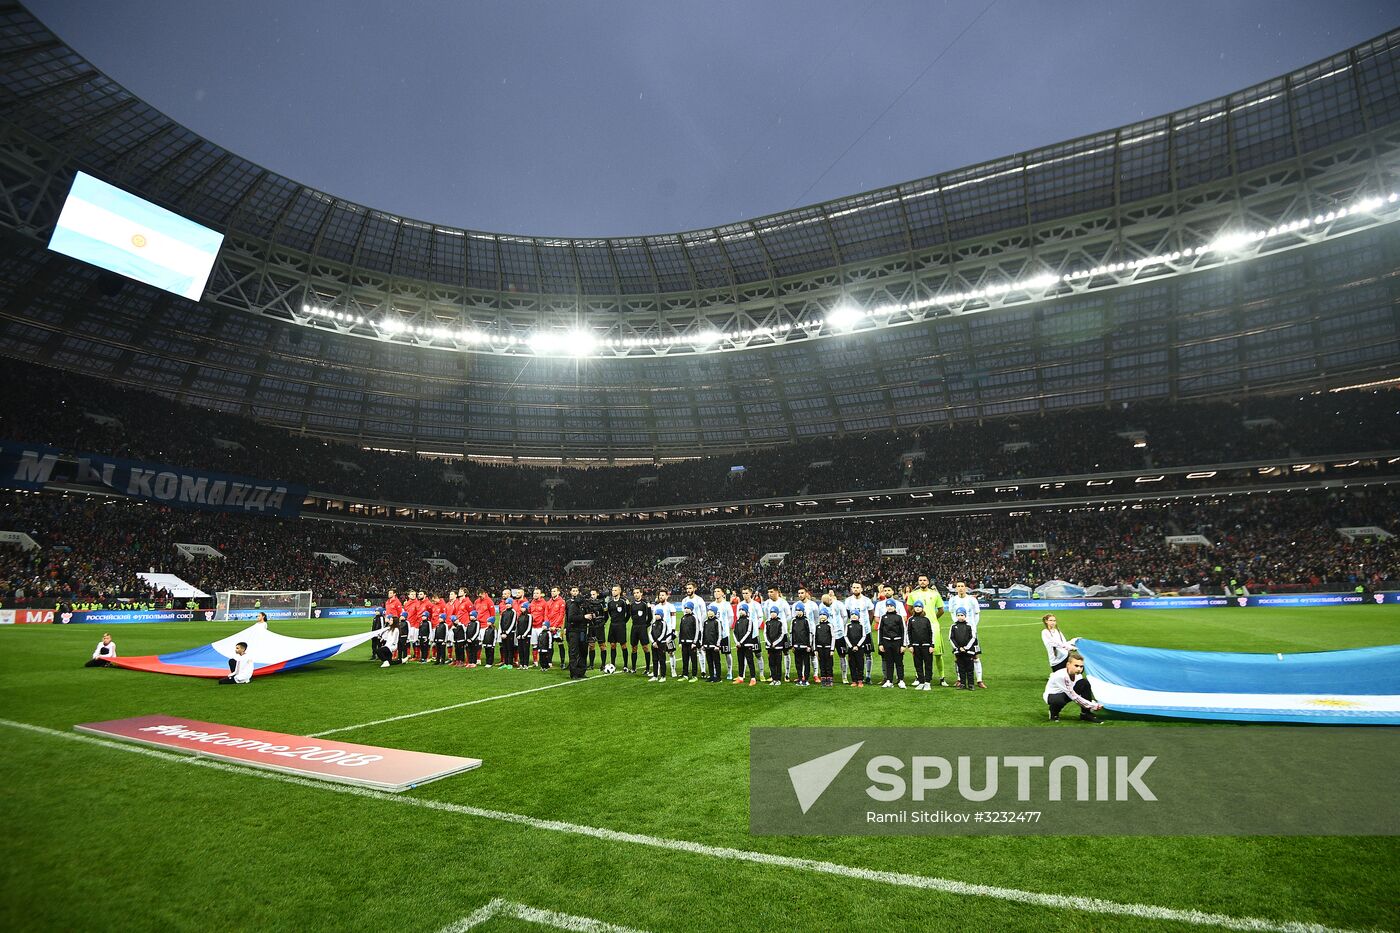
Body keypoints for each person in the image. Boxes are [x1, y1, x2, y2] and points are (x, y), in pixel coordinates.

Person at [907, 574, 949, 687]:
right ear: (918, 582)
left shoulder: (935, 594)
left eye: (924, 580)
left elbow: (941, 610)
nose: (922, 582)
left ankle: (942, 677)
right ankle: (918, 677)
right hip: (918, 627)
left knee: (937, 653)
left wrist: (933, 619)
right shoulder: (913, 594)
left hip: (933, 626)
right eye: (920, 580)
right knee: (917, 653)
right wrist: (917, 619)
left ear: (928, 582)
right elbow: (909, 608)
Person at [1044, 651, 1104, 722]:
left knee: (1084, 683)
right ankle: (1054, 714)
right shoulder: (1061, 676)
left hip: (1068, 693)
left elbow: (1081, 694)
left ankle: (1085, 714)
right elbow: (1073, 696)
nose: (1079, 669)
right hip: (1053, 696)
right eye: (1076, 666)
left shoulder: (1078, 675)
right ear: (1068, 665)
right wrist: (1092, 705)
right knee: (1059, 700)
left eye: (1081, 666)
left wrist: (1094, 702)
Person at [947, 581, 985, 688]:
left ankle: (979, 680)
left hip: (971, 631)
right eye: (958, 586)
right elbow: (952, 613)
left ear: (965, 588)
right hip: (958, 631)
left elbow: (977, 614)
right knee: (958, 656)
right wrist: (958, 625)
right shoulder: (952, 600)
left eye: (962, 586)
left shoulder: (972, 599)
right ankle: (960, 679)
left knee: (975, 656)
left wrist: (972, 627)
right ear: (956, 589)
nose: (960, 588)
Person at [843, 582, 875, 684]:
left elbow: (871, 613)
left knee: (868, 653)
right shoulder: (848, 600)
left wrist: (867, 625)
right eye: (854, 587)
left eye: (858, 587)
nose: (856, 589)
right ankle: (855, 677)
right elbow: (847, 613)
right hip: (853, 632)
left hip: (865, 631)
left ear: (861, 589)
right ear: (851, 589)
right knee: (853, 654)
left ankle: (868, 676)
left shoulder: (866, 600)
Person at [876, 598, 909, 689]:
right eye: (888, 606)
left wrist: (903, 645)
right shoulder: (883, 617)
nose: (889, 607)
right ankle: (889, 681)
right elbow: (880, 630)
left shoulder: (899, 617)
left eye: (891, 606)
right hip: (886, 642)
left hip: (897, 642)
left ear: (895, 607)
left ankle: (901, 680)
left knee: (899, 662)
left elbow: (903, 630)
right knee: (889, 662)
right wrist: (880, 644)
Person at [907, 599, 935, 690]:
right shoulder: (911, 620)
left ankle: (927, 682)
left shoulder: (926, 620)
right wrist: (910, 645)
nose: (918, 608)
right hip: (915, 646)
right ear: (913, 608)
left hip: (926, 646)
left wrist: (932, 645)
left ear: (922, 608)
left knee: (928, 664)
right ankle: (921, 681)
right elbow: (908, 633)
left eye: (919, 607)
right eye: (916, 606)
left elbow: (931, 633)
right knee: (918, 664)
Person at [948, 608, 979, 690]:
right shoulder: (953, 626)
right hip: (958, 651)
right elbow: (951, 638)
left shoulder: (969, 626)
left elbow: (973, 637)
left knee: (970, 669)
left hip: (968, 651)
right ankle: (962, 683)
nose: (960, 617)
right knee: (961, 668)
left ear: (965, 616)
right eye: (958, 615)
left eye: (962, 615)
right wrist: (958, 648)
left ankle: (971, 684)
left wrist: (966, 648)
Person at [565, 586, 592, 679]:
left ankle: (581, 672)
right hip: (574, 631)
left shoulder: (584, 606)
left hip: (582, 631)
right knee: (574, 652)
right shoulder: (573, 605)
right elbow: (570, 618)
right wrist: (584, 617)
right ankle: (574, 673)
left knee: (583, 651)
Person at [732, 604, 759, 685]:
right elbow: (734, 632)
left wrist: (741, 642)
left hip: (747, 644)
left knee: (750, 661)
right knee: (740, 661)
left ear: (746, 611)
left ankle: (753, 678)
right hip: (739, 645)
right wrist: (737, 642)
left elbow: (749, 632)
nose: (741, 611)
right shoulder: (737, 621)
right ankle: (740, 677)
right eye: (740, 610)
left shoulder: (749, 620)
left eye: (743, 610)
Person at [604, 585, 629, 673]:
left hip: (621, 626)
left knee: (623, 645)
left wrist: (623, 622)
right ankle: (613, 664)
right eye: (612, 590)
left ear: (619, 591)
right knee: (612, 645)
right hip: (612, 625)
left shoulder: (623, 602)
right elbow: (608, 614)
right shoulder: (610, 603)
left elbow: (628, 613)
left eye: (615, 590)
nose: (613, 592)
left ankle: (625, 665)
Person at [789, 603, 815, 686]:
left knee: (806, 663)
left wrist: (809, 645)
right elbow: (791, 633)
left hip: (805, 646)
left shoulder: (806, 620)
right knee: (798, 663)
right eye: (797, 610)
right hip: (796, 646)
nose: (798, 612)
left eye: (800, 610)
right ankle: (800, 678)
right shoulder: (793, 621)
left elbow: (809, 633)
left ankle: (806, 679)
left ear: (803, 611)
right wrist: (792, 645)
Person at [627, 588, 650, 674]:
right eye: (634, 593)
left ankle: (647, 669)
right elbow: (631, 616)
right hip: (634, 628)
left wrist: (645, 626)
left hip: (642, 628)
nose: (636, 594)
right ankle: (633, 668)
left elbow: (650, 617)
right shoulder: (632, 605)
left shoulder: (645, 604)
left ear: (641, 593)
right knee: (634, 648)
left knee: (645, 648)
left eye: (637, 592)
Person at [647, 607, 672, 683]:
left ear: (661, 615)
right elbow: (650, 633)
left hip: (661, 644)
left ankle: (663, 676)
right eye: (655, 614)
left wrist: (657, 642)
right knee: (654, 660)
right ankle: (655, 676)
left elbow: (663, 633)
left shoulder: (663, 623)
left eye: (658, 614)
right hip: (654, 644)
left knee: (662, 660)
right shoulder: (653, 623)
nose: (656, 616)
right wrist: (653, 642)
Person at [764, 606, 788, 686]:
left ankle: (778, 679)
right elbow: (765, 633)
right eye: (771, 612)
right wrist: (769, 643)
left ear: (777, 613)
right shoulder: (767, 622)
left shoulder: (780, 622)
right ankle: (773, 679)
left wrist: (775, 643)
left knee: (778, 663)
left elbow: (781, 634)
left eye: (774, 612)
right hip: (770, 647)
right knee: (771, 663)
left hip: (778, 647)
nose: (772, 614)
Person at [701, 603, 724, 683]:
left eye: (711, 610)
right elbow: (704, 634)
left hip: (714, 646)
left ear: (715, 612)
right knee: (709, 662)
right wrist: (703, 644)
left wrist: (717, 645)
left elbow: (720, 634)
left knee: (716, 661)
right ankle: (711, 676)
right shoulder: (705, 622)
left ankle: (718, 677)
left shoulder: (717, 622)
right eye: (708, 610)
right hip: (707, 645)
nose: (709, 612)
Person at [844, 610, 867, 688]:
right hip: (851, 649)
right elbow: (845, 636)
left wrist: (858, 646)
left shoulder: (861, 626)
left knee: (860, 664)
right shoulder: (848, 625)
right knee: (852, 664)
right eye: (852, 614)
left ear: (859, 616)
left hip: (859, 649)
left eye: (855, 614)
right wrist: (851, 646)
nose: (854, 615)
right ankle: (854, 680)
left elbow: (864, 636)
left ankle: (860, 680)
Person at [678, 605, 700, 682]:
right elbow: (680, 631)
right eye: (685, 608)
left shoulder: (694, 617)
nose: (686, 610)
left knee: (693, 660)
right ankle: (685, 675)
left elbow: (697, 630)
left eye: (688, 608)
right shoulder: (683, 618)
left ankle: (694, 676)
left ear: (691, 609)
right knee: (685, 659)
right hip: (684, 642)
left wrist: (694, 642)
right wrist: (680, 642)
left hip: (691, 643)